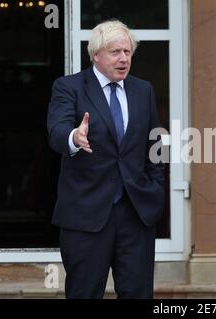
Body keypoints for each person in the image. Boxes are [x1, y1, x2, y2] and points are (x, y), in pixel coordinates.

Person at [47, 20, 164, 299]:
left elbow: (154, 144)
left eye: (128, 52)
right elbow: (56, 130)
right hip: (86, 214)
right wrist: (74, 137)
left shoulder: (142, 90)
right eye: (115, 52)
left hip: (135, 213)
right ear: (96, 54)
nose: (124, 59)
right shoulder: (69, 87)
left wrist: (155, 190)